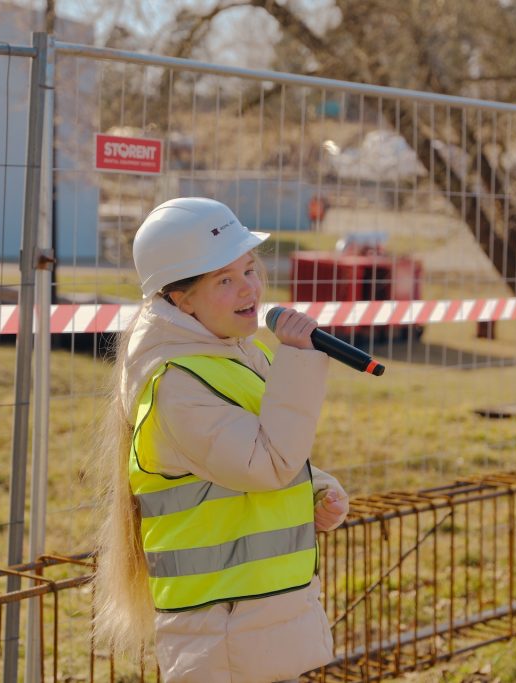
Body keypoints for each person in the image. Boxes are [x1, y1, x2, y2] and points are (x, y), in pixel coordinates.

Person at [93, 197, 350, 683]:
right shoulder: (176, 384)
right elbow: (266, 463)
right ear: (181, 299)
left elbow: (257, 447)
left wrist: (316, 488)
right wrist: (299, 357)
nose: (249, 288)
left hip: (257, 622)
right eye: (224, 280)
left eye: (250, 269)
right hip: (224, 634)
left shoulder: (236, 355)